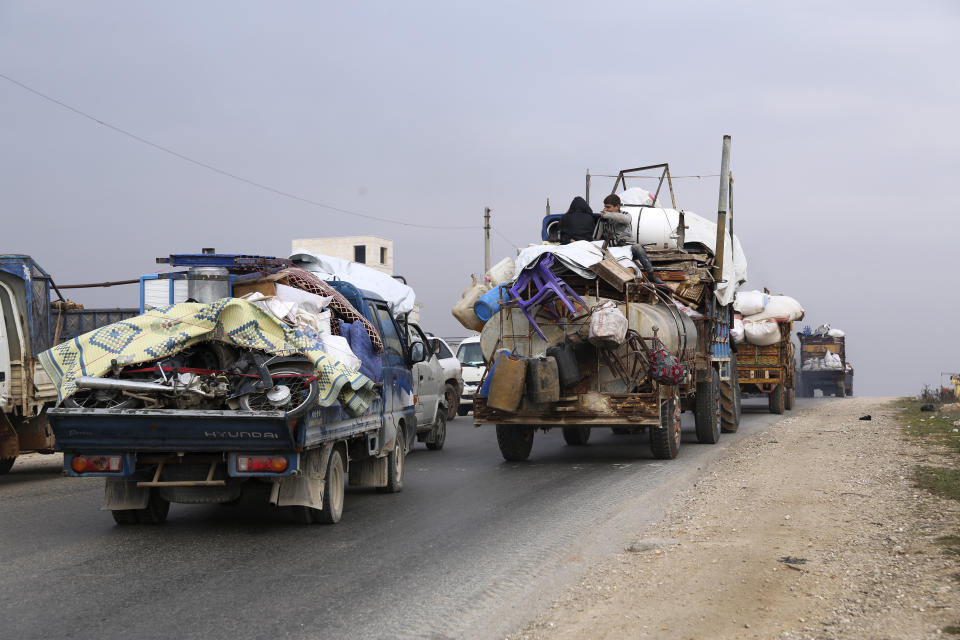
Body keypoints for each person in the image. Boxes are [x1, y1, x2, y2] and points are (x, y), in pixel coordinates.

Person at [598, 193, 664, 284]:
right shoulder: (603, 219)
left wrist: (608, 215)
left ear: (617, 206)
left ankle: (651, 275)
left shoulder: (625, 215)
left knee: (638, 248)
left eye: (608, 207)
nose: (605, 209)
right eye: (605, 207)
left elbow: (625, 220)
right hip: (612, 250)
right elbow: (597, 236)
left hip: (628, 247)